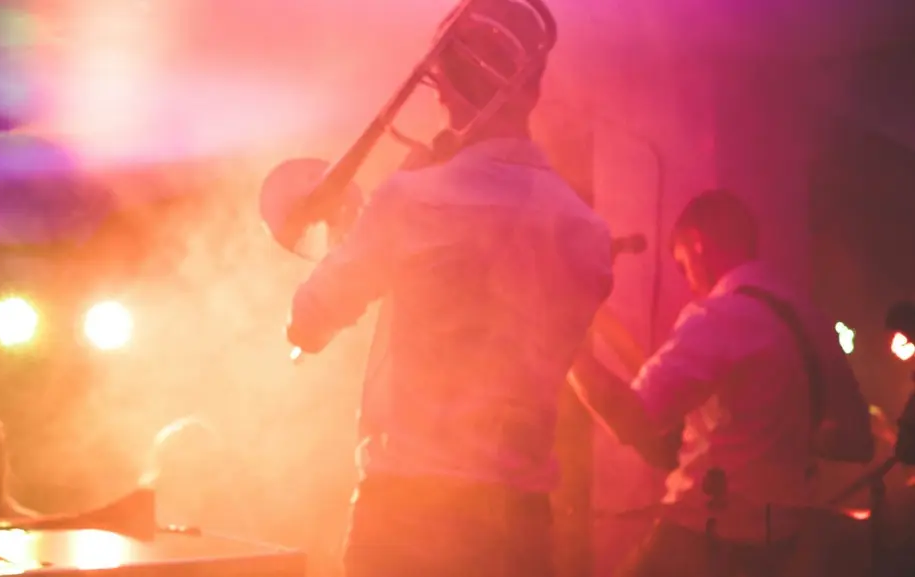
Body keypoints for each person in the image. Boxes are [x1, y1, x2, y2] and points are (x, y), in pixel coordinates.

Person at [285, 2, 613, 576]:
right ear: (533, 90)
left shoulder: (410, 200)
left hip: (406, 514)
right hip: (518, 524)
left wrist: (363, 226)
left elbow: (307, 323)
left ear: (446, 91)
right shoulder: (587, 231)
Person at [569, 189, 874, 576]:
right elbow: (858, 440)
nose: (690, 285)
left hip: (701, 542)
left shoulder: (717, 317)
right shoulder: (812, 320)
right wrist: (776, 443)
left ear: (697, 245)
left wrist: (563, 341)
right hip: (781, 548)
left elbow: (631, 419)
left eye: (682, 266)